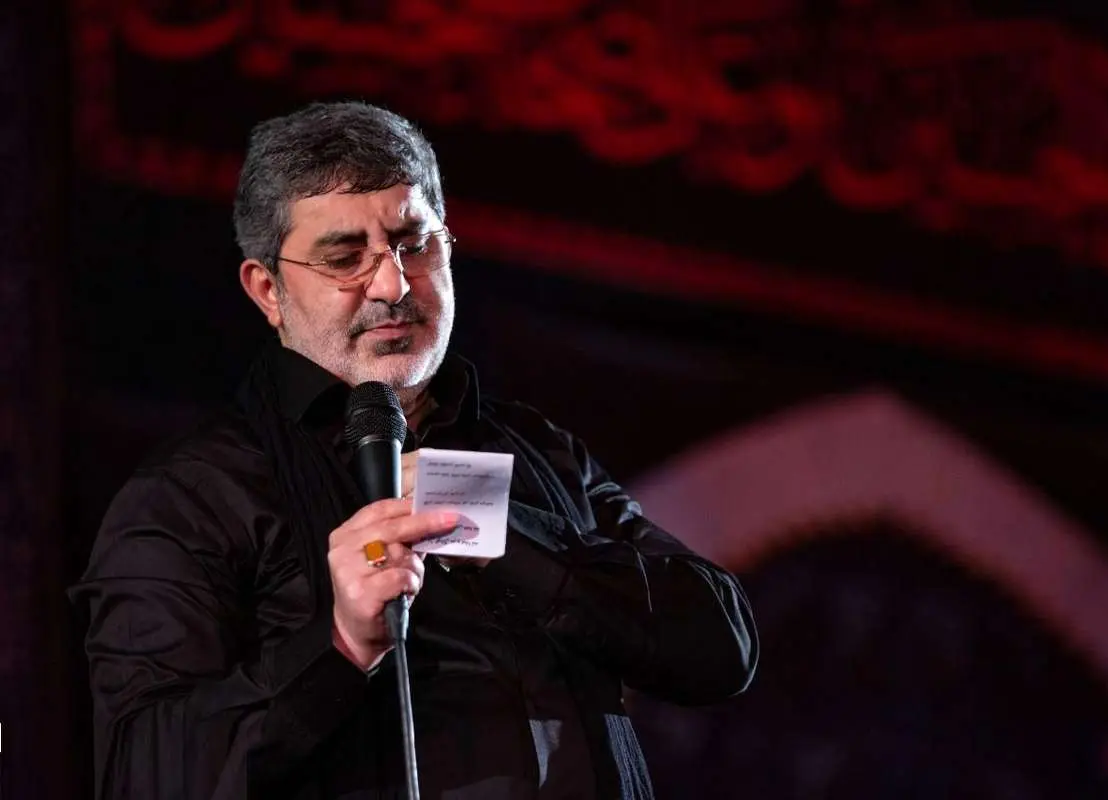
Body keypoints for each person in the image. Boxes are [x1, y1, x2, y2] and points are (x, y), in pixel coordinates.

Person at [71, 101, 758, 799]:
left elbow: (721, 646)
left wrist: (513, 542)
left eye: (414, 243)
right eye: (345, 258)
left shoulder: (538, 451)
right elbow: (143, 772)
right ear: (268, 290)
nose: (393, 285)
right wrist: (340, 645)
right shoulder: (193, 494)